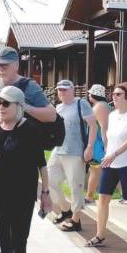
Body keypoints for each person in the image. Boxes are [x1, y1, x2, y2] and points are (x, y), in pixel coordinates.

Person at [0, 46, 57, 253]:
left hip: (19, 156)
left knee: (15, 214)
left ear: (16, 65)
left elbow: (51, 114)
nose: (0, 69)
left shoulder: (28, 86)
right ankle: (7, 242)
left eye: (5, 65)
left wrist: (23, 106)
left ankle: (13, 250)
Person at [0, 85, 52, 253]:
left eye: (6, 103)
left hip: (23, 191)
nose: (0, 107)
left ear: (19, 106)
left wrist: (45, 193)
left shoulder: (30, 130)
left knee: (18, 234)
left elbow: (42, 164)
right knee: (0, 231)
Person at [86, 82, 127, 246]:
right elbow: (106, 133)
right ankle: (99, 235)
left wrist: (114, 154)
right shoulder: (112, 115)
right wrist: (108, 152)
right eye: (113, 94)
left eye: (118, 94)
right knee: (102, 199)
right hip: (109, 164)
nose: (114, 97)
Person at [48, 79, 94, 232]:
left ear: (72, 90)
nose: (61, 92)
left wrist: (89, 147)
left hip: (75, 152)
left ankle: (76, 220)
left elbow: (93, 126)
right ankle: (65, 208)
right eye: (59, 90)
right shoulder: (58, 107)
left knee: (76, 186)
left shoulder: (81, 104)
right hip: (58, 150)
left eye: (65, 90)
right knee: (50, 180)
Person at [84, 84, 110, 205]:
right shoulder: (103, 106)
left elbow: (104, 127)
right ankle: (124, 195)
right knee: (110, 170)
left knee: (94, 170)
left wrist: (106, 146)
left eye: (90, 93)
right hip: (99, 143)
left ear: (94, 95)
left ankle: (89, 196)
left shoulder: (100, 107)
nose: (88, 95)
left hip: (98, 144)